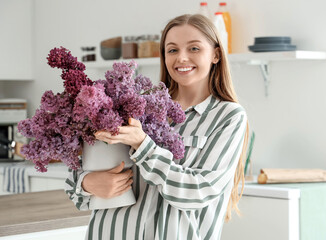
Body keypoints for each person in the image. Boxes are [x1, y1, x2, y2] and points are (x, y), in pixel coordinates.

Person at [65, 13, 249, 240]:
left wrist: (143, 146)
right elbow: (76, 187)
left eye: (194, 48)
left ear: (216, 55)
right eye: (172, 50)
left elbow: (198, 192)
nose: (181, 58)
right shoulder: (135, 104)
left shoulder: (228, 116)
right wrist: (87, 183)